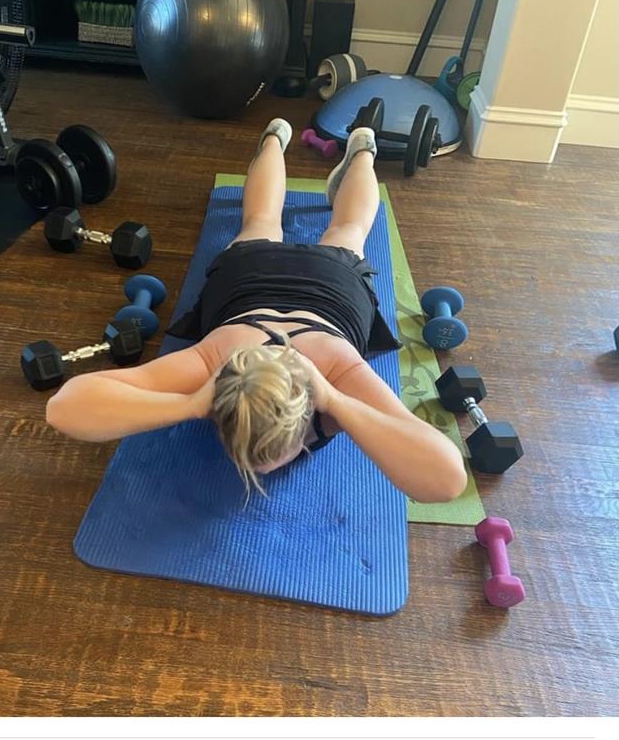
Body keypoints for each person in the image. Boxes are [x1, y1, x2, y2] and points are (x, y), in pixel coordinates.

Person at [46, 119, 467, 503]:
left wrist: (336, 400)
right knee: (334, 230)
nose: (262, 468)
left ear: (310, 410)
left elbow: (447, 480)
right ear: (219, 404)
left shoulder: (333, 371)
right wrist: (190, 404)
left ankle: (288, 142)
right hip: (291, 281)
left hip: (299, 283)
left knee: (290, 225)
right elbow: (63, 408)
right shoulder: (217, 363)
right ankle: (352, 149)